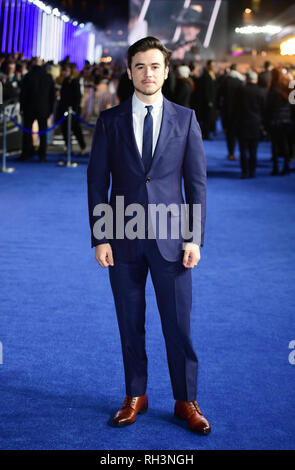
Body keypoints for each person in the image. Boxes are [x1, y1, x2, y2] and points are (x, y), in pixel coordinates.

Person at [87, 36, 210, 434]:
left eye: (155, 66)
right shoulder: (110, 120)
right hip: (121, 237)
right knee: (129, 322)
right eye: (140, 66)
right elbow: (96, 183)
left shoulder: (186, 118)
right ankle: (135, 394)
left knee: (178, 325)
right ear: (129, 72)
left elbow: (196, 184)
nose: (148, 73)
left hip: (172, 239)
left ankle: (186, 399)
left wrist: (194, 238)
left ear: (166, 71)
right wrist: (100, 237)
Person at [19, 57, 55, 162]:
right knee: (43, 133)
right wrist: (50, 110)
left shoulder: (28, 76)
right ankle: (42, 155)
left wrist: (22, 107)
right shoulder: (48, 77)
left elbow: (23, 94)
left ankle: (26, 153)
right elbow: (52, 96)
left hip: (29, 109)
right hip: (43, 109)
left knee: (27, 132)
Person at [236, 71, 266, 179]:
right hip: (255, 123)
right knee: (254, 149)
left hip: (242, 123)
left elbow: (236, 107)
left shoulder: (241, 90)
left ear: (247, 79)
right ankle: (252, 171)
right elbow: (264, 108)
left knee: (243, 150)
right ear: (256, 79)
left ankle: (244, 171)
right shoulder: (261, 91)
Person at [266, 67, 292, 175]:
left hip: (275, 120)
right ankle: (286, 165)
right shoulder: (286, 86)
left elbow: (269, 107)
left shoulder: (273, 89)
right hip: (287, 120)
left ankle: (276, 167)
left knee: (275, 145)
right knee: (285, 143)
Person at [56, 63, 87, 156]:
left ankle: (83, 148)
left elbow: (77, 97)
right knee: (65, 130)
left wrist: (74, 110)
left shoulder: (74, 81)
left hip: (73, 110)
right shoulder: (65, 81)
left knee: (76, 130)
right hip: (64, 110)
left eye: (66, 71)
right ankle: (68, 148)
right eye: (63, 70)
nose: (64, 72)